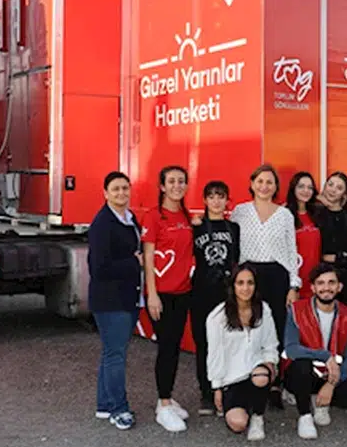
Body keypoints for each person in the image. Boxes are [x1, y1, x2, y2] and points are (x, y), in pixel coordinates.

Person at [231, 164, 300, 406]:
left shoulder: (285, 215)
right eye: (260, 181)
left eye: (269, 182)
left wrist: (293, 285)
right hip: (249, 275)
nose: (264, 186)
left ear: (276, 187)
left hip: (277, 276)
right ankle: (247, 379)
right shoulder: (240, 212)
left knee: (275, 329)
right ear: (252, 184)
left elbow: (291, 252)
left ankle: (274, 382)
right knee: (248, 327)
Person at [141, 165, 197, 432]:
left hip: (183, 292)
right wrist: (152, 294)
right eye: (171, 181)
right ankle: (163, 405)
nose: (177, 185)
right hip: (161, 295)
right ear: (162, 186)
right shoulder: (153, 216)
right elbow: (148, 256)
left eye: (181, 181)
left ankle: (168, 397)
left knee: (174, 347)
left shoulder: (186, 216)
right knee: (166, 348)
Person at [87, 171, 143, 431]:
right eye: (116, 189)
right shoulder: (102, 224)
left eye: (125, 188)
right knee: (115, 355)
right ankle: (119, 409)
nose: (121, 193)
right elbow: (98, 268)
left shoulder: (129, 218)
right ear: (105, 193)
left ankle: (104, 405)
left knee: (111, 352)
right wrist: (134, 262)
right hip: (110, 301)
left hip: (126, 297)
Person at [281, 263, 347, 439]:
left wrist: (331, 384)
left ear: (339, 287)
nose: (326, 288)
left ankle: (317, 397)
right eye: (321, 283)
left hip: (328, 375)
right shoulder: (297, 310)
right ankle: (305, 415)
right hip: (302, 371)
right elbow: (291, 349)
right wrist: (324, 356)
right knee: (301, 367)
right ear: (313, 288)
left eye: (331, 282)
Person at [205, 264, 280, 442]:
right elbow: (215, 354)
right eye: (240, 283)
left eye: (250, 283)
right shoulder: (217, 317)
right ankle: (245, 407)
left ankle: (258, 417)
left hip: (257, 371)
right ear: (232, 286)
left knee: (261, 376)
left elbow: (270, 343)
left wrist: (271, 363)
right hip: (232, 378)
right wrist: (217, 388)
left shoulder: (263, 309)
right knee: (238, 424)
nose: (245, 288)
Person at [191, 180, 241, 415]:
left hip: (227, 293)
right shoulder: (196, 227)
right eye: (211, 196)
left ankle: (228, 390)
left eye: (221, 196)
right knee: (204, 343)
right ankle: (207, 393)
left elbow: (238, 259)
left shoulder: (234, 228)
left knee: (228, 342)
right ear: (204, 200)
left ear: (227, 200)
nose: (216, 201)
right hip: (202, 292)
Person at [315, 171, 347, 306]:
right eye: (330, 184)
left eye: (339, 188)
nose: (333, 190)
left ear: (344, 194)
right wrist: (322, 201)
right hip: (325, 273)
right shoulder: (316, 213)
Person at [286, 171, 323, 296]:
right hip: (294, 280)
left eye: (310, 187)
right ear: (293, 188)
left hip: (316, 279)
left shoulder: (317, 214)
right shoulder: (285, 214)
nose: (306, 191)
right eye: (301, 186)